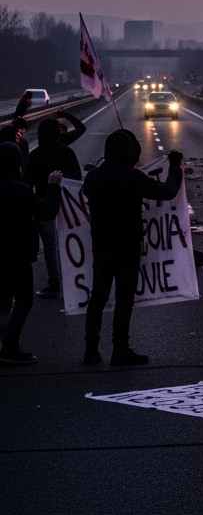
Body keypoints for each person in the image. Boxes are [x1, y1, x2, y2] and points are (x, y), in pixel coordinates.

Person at [82, 130, 183, 366]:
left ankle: (91, 349)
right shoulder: (133, 178)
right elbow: (167, 192)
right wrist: (175, 167)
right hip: (127, 246)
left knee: (98, 297)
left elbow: (88, 192)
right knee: (124, 297)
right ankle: (120, 349)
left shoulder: (93, 178)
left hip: (102, 245)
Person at [0, 142, 62, 365]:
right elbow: (47, 210)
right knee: (23, 300)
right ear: (18, 164)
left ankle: (3, 343)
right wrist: (53, 186)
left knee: (3, 300)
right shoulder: (20, 190)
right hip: (17, 254)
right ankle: (10, 347)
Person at [23, 113, 86, 299]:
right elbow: (77, 180)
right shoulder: (66, 151)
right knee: (71, 240)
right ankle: (75, 279)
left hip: (44, 205)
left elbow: (26, 184)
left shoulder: (35, 155)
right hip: (68, 206)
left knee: (50, 244)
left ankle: (54, 282)